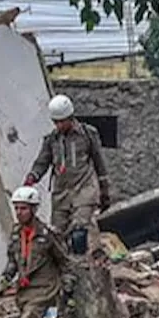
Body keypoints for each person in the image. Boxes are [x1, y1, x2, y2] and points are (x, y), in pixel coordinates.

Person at [24, 95, 111, 257]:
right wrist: (32, 177)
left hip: (84, 190)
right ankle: (64, 268)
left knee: (79, 232)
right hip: (61, 194)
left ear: (70, 117)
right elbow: (42, 161)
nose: (59, 125)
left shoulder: (87, 134)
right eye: (55, 122)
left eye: (62, 121)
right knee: (57, 236)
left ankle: (81, 264)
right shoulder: (52, 140)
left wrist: (104, 190)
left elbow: (99, 162)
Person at [2, 185, 73, 318]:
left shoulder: (47, 234)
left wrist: (68, 285)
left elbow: (64, 261)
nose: (19, 213)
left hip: (45, 290)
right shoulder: (16, 234)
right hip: (24, 291)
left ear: (33, 209)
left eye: (23, 208)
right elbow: (13, 260)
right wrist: (7, 276)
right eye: (16, 208)